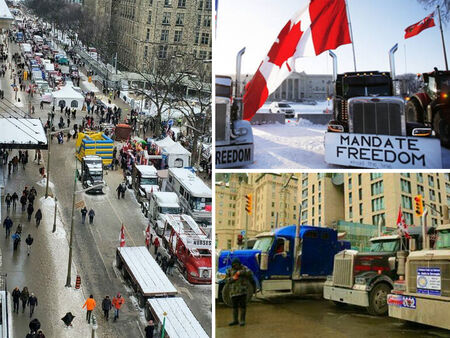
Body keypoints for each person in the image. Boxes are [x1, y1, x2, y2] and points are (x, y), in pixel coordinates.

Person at [225, 258, 253, 326]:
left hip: (242, 291)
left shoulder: (244, 268)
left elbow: (250, 273)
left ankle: (242, 320)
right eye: (234, 265)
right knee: (234, 307)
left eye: (237, 265)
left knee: (243, 307)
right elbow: (226, 280)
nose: (236, 266)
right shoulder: (229, 270)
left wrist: (241, 272)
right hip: (233, 292)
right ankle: (235, 320)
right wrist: (233, 278)